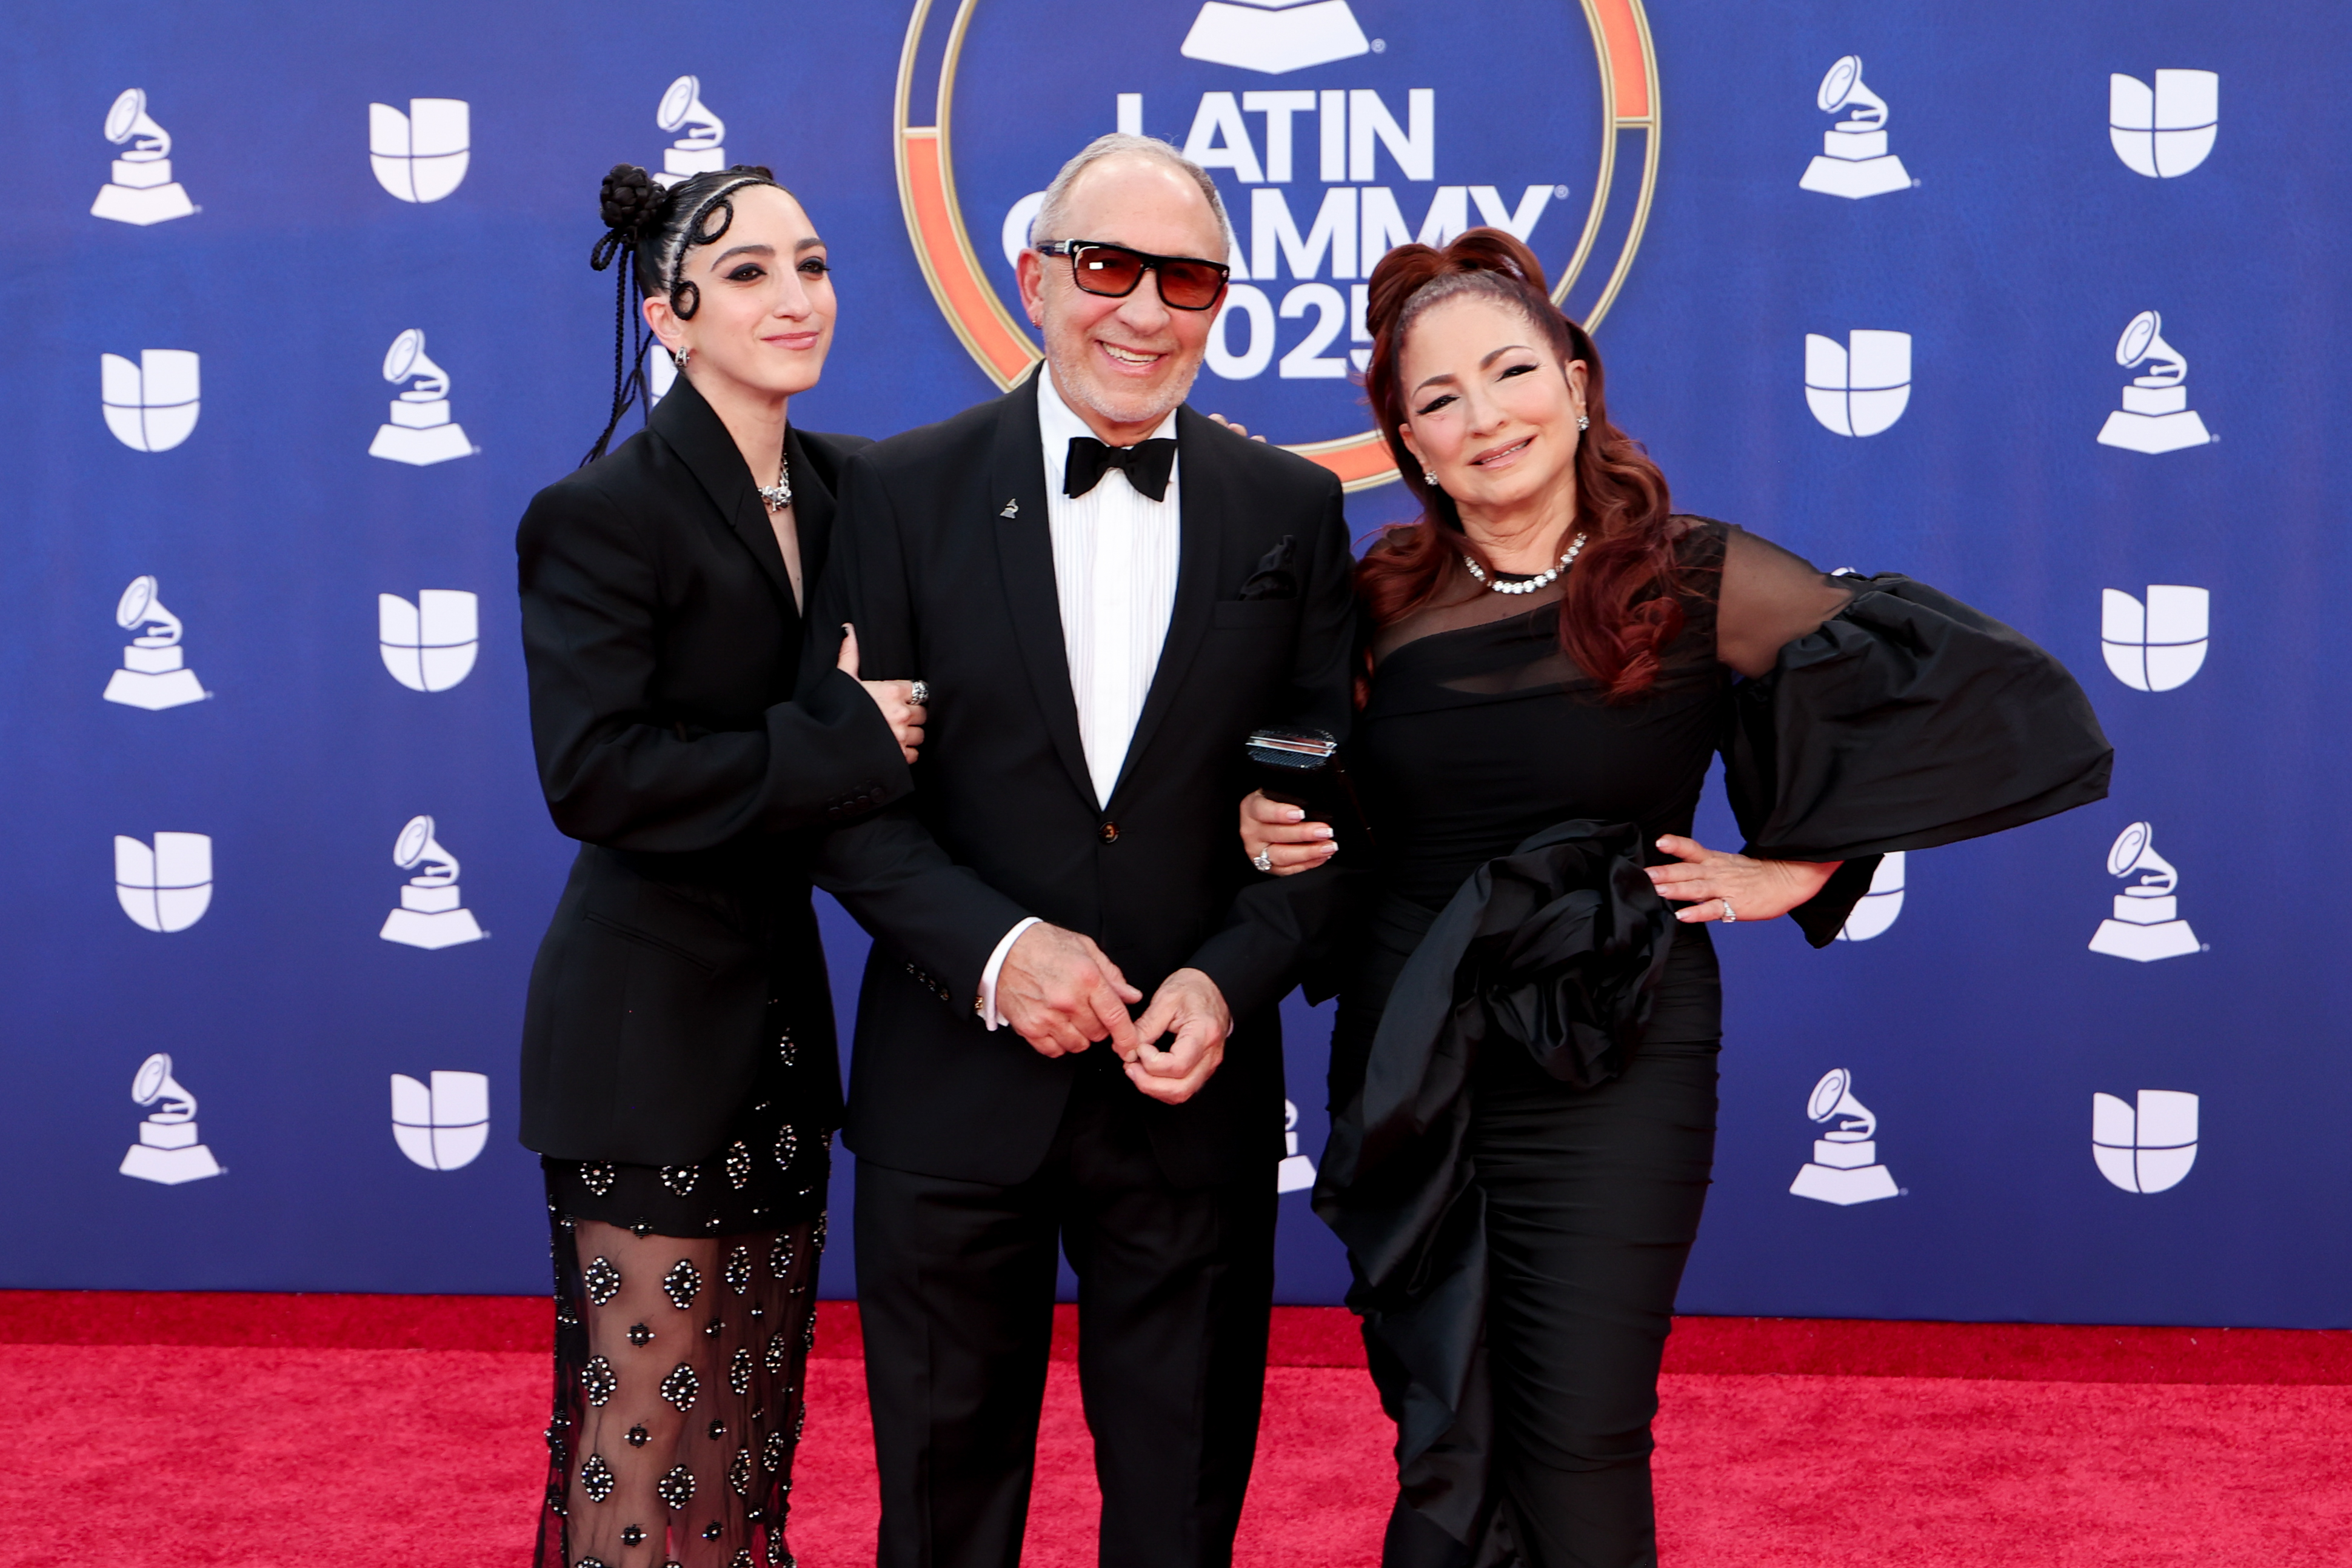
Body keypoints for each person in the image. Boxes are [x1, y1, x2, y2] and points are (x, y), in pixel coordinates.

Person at [1239, 230, 2113, 1568]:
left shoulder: (1695, 581)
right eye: (1438, 399)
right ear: (1405, 443)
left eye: (1510, 371)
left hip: (1617, 1052)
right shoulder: (1373, 605)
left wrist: (1808, 865)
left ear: (1577, 383)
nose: (1484, 417)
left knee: (1580, 1429)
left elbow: (1987, 702)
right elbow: (1318, 812)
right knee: (1445, 1429)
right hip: (1414, 1058)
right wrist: (1271, 823)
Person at [804, 134, 1357, 1568]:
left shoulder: (1290, 512)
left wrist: (1229, 981)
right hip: (950, 1083)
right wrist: (998, 954)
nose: (1142, 310)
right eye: (1105, 266)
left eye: (1186, 281)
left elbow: (1330, 819)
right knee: (939, 1512)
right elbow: (846, 800)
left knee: (1177, 1519)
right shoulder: (891, 492)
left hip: (1190, 1096)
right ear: (1033, 274)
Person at [515, 162, 926, 1568]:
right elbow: (596, 775)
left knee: (744, 1442)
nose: (793, 295)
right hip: (641, 1035)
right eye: (746, 271)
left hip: (780, 1036)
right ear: (665, 314)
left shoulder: (857, 488)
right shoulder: (601, 513)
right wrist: (835, 740)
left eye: (810, 263)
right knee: (643, 1443)